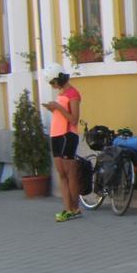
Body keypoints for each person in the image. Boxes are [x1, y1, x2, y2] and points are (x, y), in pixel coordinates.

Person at [42, 63, 82, 222]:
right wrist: (53, 108)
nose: (52, 86)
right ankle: (67, 208)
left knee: (70, 173)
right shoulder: (61, 93)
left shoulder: (73, 94)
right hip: (56, 134)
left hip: (67, 135)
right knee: (61, 174)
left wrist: (57, 107)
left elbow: (73, 119)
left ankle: (75, 207)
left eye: (53, 82)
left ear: (59, 78)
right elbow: (60, 113)